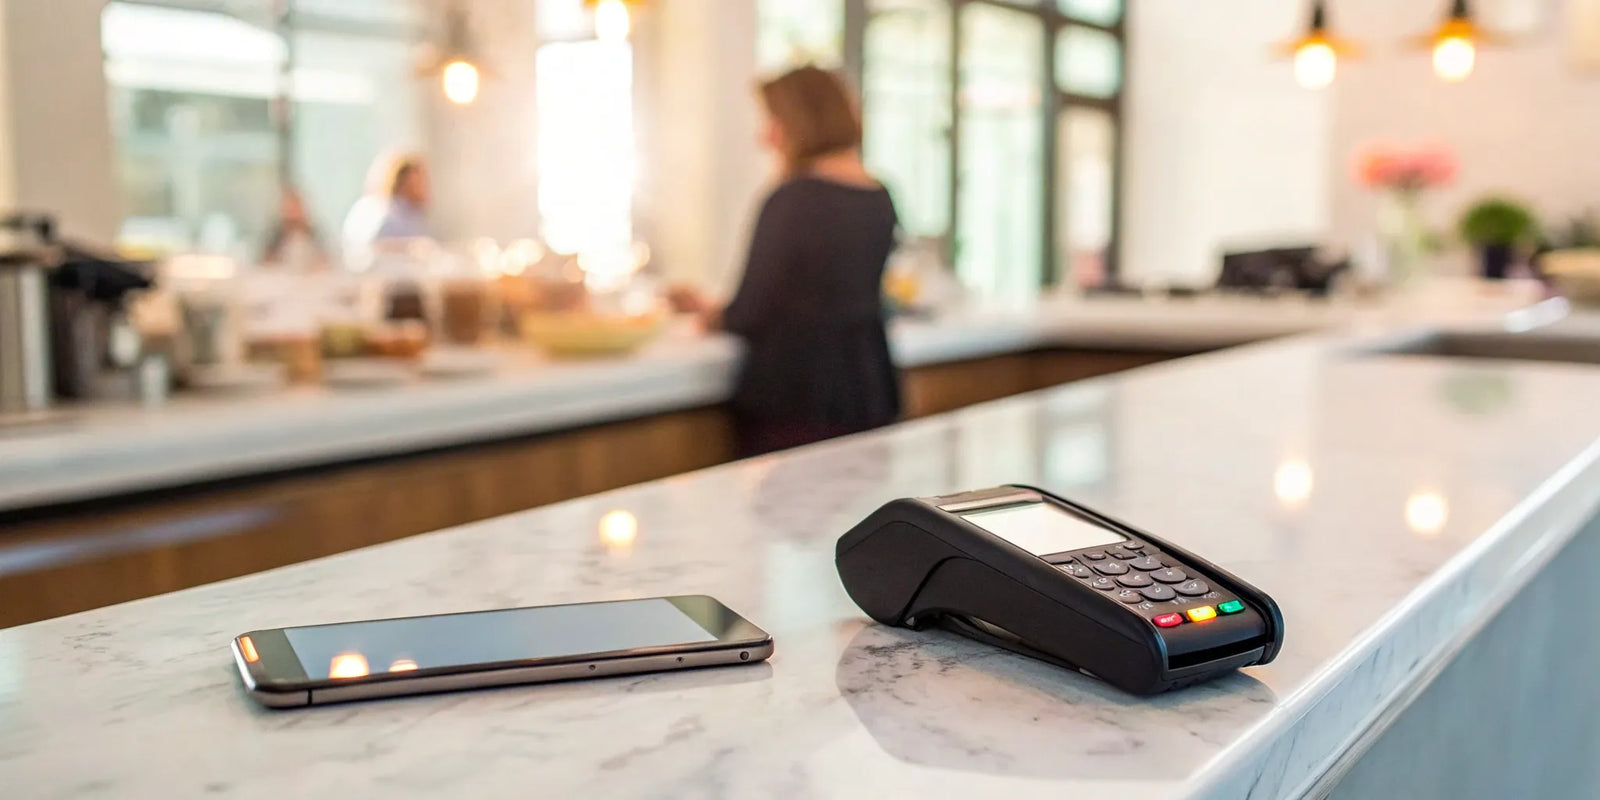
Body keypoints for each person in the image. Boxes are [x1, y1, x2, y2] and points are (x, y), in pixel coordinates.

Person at [674, 66, 901, 456]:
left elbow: (750, 312)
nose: (764, 137)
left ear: (800, 122)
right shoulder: (879, 196)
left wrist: (709, 314)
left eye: (772, 121)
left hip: (799, 398)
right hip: (869, 389)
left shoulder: (793, 199)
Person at [341, 151, 432, 270]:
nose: (425, 187)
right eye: (418, 181)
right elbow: (368, 251)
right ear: (403, 182)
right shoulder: (384, 214)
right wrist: (409, 249)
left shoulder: (408, 213)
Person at [260, 188, 327, 270]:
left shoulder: (313, 232)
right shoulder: (275, 234)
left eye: (296, 206)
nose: (293, 211)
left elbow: (325, 257)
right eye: (290, 207)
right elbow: (265, 260)